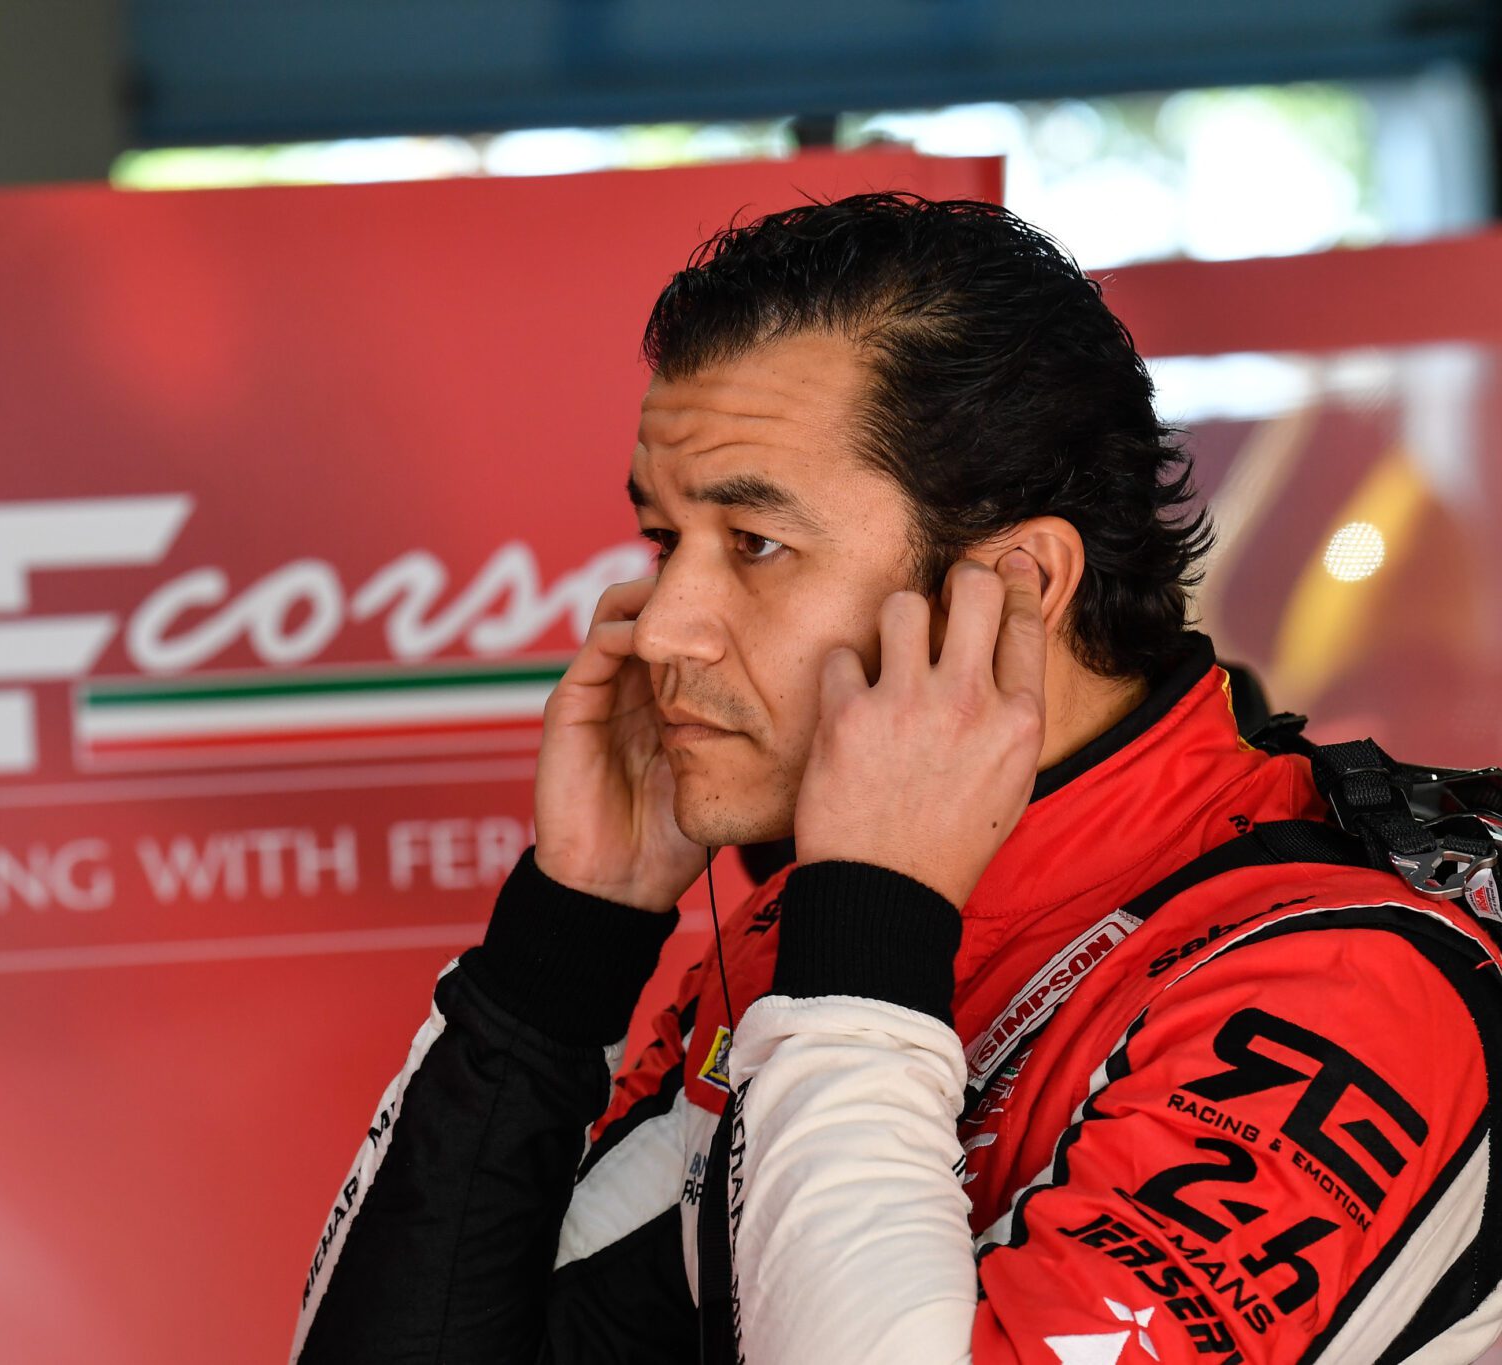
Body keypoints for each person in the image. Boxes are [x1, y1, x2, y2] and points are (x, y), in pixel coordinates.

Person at [291, 194, 1502, 1364]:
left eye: (754, 545)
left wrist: (869, 937)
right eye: (664, 543)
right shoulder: (800, 933)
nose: (663, 628)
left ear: (1015, 589)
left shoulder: (1337, 989)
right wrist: (572, 932)